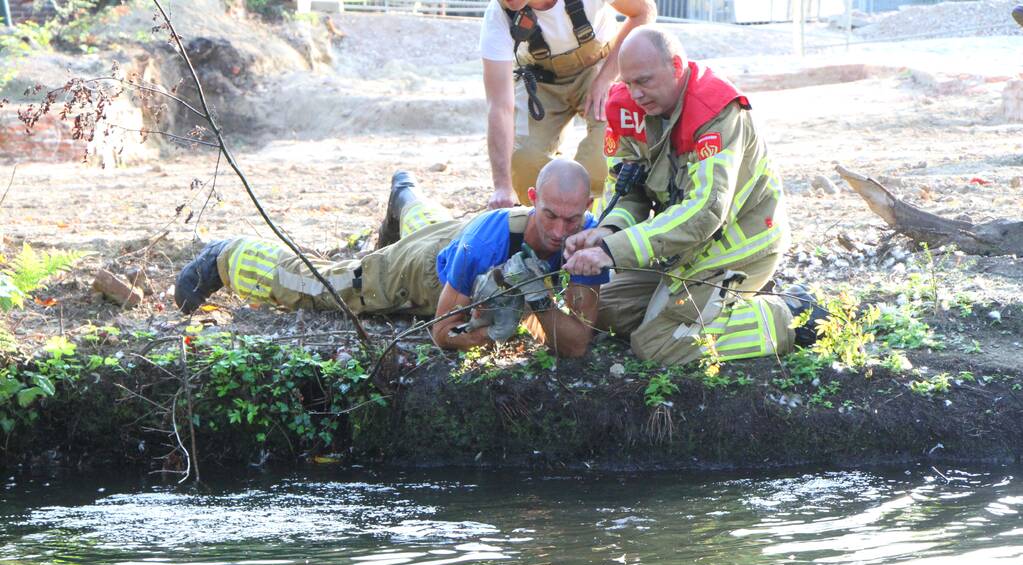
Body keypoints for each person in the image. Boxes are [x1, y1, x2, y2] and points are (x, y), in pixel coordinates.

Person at [563, 27, 824, 366]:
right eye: (628, 83)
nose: (636, 94)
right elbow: (629, 194)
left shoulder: (716, 111)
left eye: (644, 81)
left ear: (676, 65)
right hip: (682, 244)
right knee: (604, 310)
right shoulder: (626, 111)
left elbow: (706, 212)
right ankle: (713, 301)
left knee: (658, 346)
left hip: (741, 241)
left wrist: (613, 252)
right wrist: (607, 232)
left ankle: (790, 313)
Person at [174, 159, 609, 357]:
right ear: (532, 199)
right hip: (421, 273)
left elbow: (576, 343)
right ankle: (226, 256)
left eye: (572, 220)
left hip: (452, 238)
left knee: (430, 227)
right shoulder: (483, 246)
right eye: (549, 215)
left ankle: (405, 195)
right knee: (322, 286)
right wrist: (496, 335)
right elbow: (440, 334)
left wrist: (536, 302)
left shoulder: (586, 239)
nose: (558, 232)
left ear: (587, 207)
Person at [480, 0, 654, 209]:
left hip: (599, 68)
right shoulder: (498, 14)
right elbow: (499, 106)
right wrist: (502, 187)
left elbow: (644, 11)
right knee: (523, 158)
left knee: (603, 155)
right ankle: (549, 220)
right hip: (540, 79)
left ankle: (593, 222)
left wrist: (607, 78)